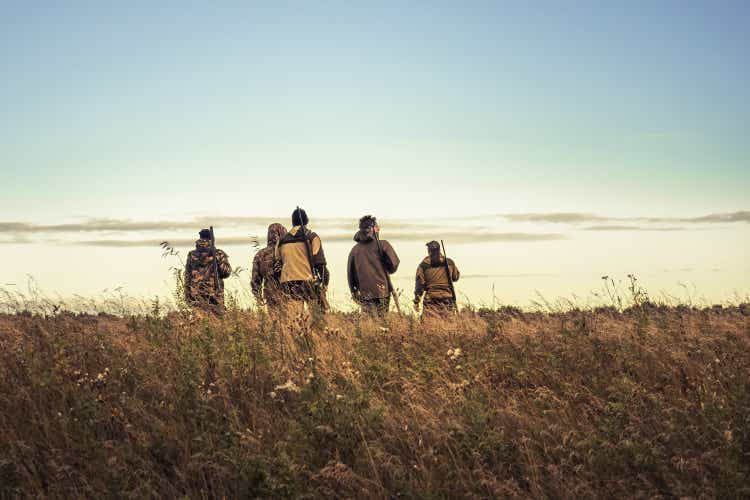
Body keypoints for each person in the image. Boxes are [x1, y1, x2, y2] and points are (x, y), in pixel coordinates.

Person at [274, 208, 329, 312]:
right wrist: (324, 284)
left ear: (292, 222)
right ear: (307, 220)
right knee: (316, 319)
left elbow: (277, 264)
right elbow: (320, 264)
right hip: (308, 281)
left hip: (288, 284)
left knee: (295, 321)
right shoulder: (312, 237)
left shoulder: (281, 241)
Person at [347, 215, 400, 317]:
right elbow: (394, 266)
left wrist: (354, 293)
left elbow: (350, 275)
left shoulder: (354, 250)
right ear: (372, 228)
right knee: (382, 321)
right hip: (382, 292)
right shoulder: (383, 245)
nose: (378, 228)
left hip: (364, 293)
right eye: (376, 226)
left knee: (369, 323)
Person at [184, 228, 232, 312]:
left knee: (199, 321)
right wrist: (218, 260)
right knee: (217, 321)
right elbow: (226, 272)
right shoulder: (218, 253)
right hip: (214, 294)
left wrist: (187, 295)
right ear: (211, 238)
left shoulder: (191, 254)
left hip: (196, 294)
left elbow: (187, 276)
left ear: (200, 238)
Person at [414, 240, 460, 316]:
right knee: (448, 323)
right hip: (447, 298)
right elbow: (456, 277)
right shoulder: (449, 262)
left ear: (429, 251)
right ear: (439, 250)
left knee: (429, 325)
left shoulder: (423, 265)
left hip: (431, 299)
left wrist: (416, 301)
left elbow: (419, 285)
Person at [251, 223, 287, 313]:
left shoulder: (260, 254)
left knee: (273, 321)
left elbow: (255, 279)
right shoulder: (286, 251)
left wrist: (258, 296)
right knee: (289, 322)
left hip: (270, 292)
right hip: (287, 292)